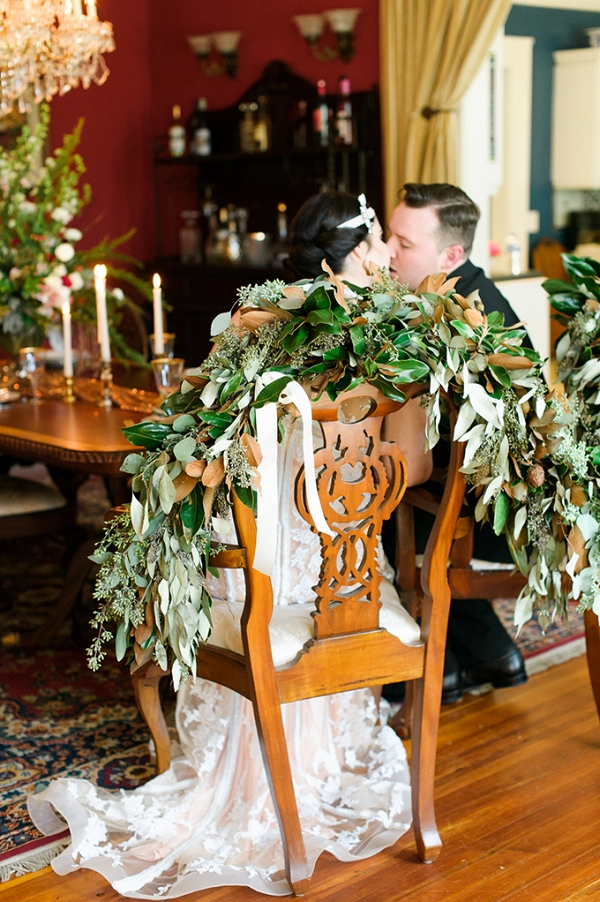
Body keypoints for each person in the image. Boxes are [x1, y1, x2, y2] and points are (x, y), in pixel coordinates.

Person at [28, 192, 429, 898]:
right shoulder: (389, 338)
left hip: (270, 558)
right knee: (288, 555)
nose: (389, 256)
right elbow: (407, 460)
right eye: (380, 244)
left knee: (238, 557)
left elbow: (210, 433)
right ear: (360, 252)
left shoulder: (253, 324)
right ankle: (309, 767)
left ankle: (259, 766)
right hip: (345, 558)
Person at [384, 182, 528, 703]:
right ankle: (491, 655)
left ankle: (428, 665)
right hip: (468, 494)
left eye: (404, 243)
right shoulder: (449, 293)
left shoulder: (466, 313)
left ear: (452, 254)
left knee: (378, 504)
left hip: (499, 515)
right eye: (388, 236)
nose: (388, 252)